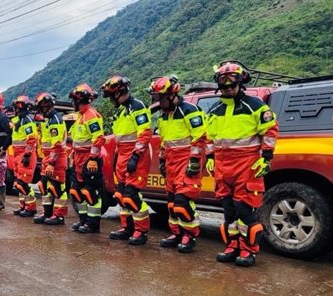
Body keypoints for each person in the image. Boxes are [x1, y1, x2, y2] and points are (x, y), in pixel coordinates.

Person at [207, 62, 278, 267]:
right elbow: (210, 138)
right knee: (228, 210)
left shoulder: (255, 105)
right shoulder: (215, 109)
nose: (228, 87)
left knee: (244, 210)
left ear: (240, 82)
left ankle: (248, 250)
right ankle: (233, 246)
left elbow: (270, 131)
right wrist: (211, 159)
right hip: (222, 165)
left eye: (232, 83)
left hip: (247, 164)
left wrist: (266, 157)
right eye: (224, 83)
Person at [150, 76, 207, 253]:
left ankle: (189, 235)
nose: (158, 102)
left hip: (186, 161)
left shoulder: (190, 111)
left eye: (161, 98)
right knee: (172, 203)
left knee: (183, 202)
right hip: (171, 163)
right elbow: (164, 142)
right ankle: (176, 233)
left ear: (172, 94)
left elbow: (200, 138)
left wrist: (195, 162)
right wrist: (161, 160)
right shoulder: (163, 117)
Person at [102, 75, 152, 244]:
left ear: (118, 93)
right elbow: (120, 140)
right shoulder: (123, 112)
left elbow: (144, 134)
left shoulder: (138, 107)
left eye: (111, 97)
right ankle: (127, 228)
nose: (110, 101)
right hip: (123, 157)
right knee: (121, 195)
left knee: (132, 196)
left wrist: (136, 156)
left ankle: (141, 231)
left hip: (135, 157)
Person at [67, 84, 107, 233]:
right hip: (78, 157)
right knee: (76, 191)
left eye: (73, 101)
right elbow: (77, 140)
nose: (72, 103)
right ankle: (83, 220)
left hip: (89, 157)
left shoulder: (91, 115)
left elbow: (98, 138)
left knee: (90, 192)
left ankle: (93, 224)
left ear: (79, 100)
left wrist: (93, 158)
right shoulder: (80, 117)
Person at [33, 92, 68, 225]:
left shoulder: (56, 121)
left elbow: (57, 145)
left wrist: (52, 163)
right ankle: (47, 213)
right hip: (47, 158)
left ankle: (59, 216)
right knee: (44, 186)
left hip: (56, 159)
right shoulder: (46, 120)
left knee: (58, 188)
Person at [9, 96, 39, 217]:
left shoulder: (27, 121)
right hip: (17, 154)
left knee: (23, 183)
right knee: (18, 183)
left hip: (24, 154)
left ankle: (31, 208)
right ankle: (23, 206)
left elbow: (31, 139)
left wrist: (27, 154)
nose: (16, 109)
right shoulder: (18, 120)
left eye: (17, 107)